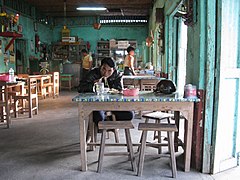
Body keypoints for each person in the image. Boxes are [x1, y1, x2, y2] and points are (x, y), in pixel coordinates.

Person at [78, 57, 134, 124]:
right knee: (98, 117)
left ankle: (108, 122)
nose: (105, 73)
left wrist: (115, 90)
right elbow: (80, 88)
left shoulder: (117, 75)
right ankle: (104, 123)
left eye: (109, 71)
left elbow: (119, 90)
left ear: (114, 70)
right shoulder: (93, 74)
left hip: (114, 104)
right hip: (97, 105)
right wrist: (93, 85)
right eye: (103, 69)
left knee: (129, 115)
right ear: (100, 67)